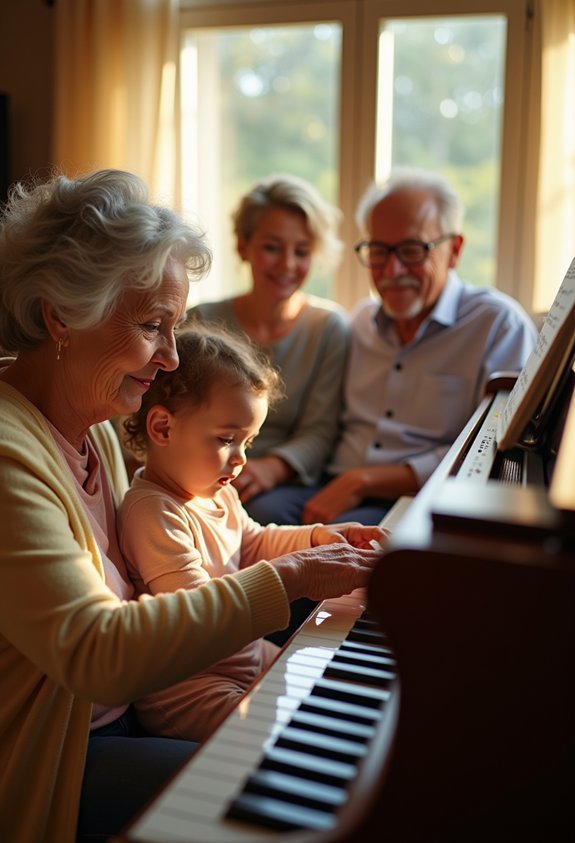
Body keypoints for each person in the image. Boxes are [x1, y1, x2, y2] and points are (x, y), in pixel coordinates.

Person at [0, 168, 383, 843]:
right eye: (153, 326)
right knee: (290, 797)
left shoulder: (92, 427)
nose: (170, 359)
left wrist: (313, 549)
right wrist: (292, 579)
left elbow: (219, 541)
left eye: (176, 327)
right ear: (62, 314)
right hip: (58, 758)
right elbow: (95, 650)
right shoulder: (10, 455)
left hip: (130, 715)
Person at [117, 325, 384, 743]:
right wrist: (297, 571)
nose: (241, 459)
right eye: (227, 440)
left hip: (245, 656)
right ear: (163, 429)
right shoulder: (152, 510)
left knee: (325, 694)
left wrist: (317, 538)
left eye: (248, 441)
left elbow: (255, 542)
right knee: (286, 735)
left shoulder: (214, 492)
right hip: (191, 690)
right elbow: (195, 612)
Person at [283, 166, 539, 526]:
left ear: (454, 250)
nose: (392, 269)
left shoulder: (497, 325)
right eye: (379, 251)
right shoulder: (358, 322)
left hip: (423, 497)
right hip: (327, 484)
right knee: (246, 516)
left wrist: (364, 480)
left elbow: (494, 449)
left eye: (411, 250)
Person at [187, 173, 349, 526]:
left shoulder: (330, 328)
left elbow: (319, 432)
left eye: (302, 251)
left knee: (260, 513)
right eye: (272, 247)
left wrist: (269, 469)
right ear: (243, 245)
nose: (287, 265)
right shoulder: (200, 320)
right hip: (196, 470)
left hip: (279, 482)